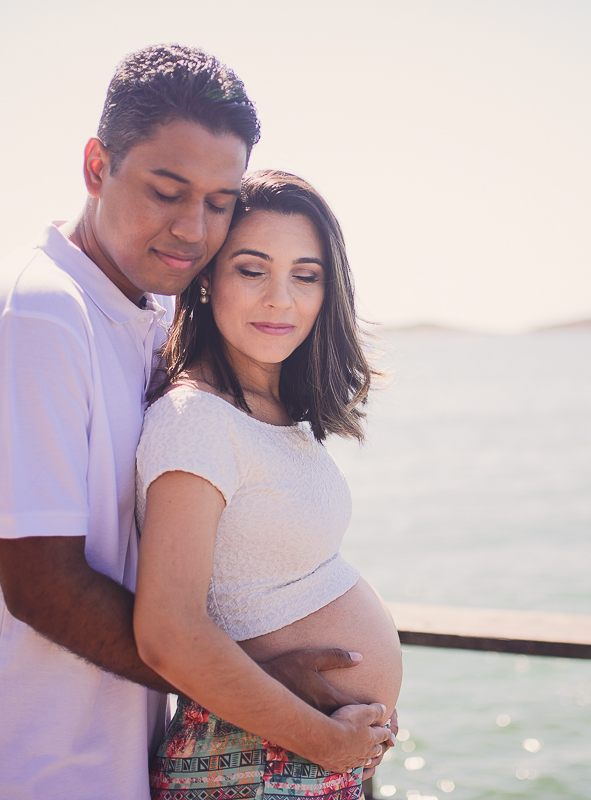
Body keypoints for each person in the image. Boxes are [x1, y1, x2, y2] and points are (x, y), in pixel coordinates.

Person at [0, 45, 392, 800]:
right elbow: (43, 585)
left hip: (115, 748)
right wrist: (273, 692)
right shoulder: (35, 316)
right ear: (96, 166)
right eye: (166, 191)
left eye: (220, 202)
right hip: (28, 762)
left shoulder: (148, 307)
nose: (194, 229)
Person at [134, 169, 402, 798]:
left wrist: (354, 731)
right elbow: (168, 633)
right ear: (207, 278)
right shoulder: (196, 419)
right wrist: (327, 741)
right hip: (251, 760)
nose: (281, 299)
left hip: (293, 755)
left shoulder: (271, 409)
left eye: (305, 275)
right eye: (252, 270)